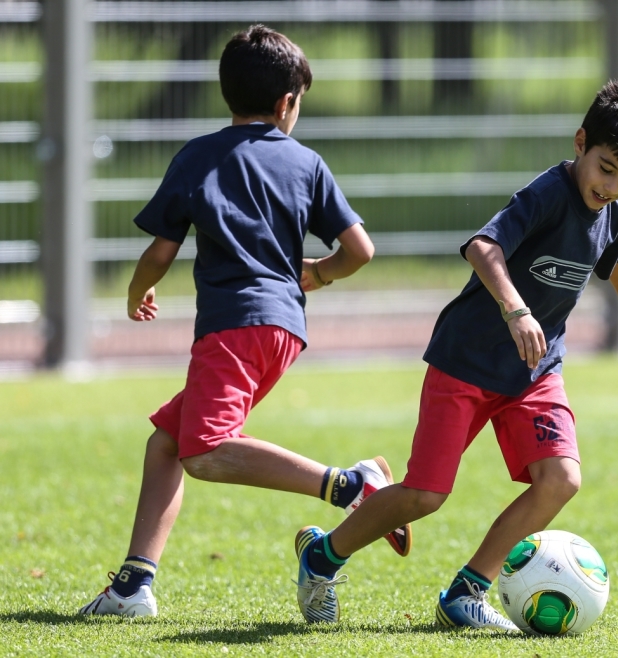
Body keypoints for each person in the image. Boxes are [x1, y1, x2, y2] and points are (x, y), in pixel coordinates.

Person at [290, 80, 618, 628]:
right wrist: (516, 309)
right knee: (424, 495)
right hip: (466, 361)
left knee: (561, 479)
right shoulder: (548, 192)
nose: (612, 186)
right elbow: (482, 247)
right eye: (606, 167)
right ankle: (322, 557)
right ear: (580, 142)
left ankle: (466, 593)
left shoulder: (615, 216)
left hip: (534, 371)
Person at [78, 25, 410, 619]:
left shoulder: (197, 156)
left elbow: (160, 251)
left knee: (203, 451)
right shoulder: (305, 162)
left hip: (232, 327)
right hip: (281, 327)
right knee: (168, 444)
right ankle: (133, 586)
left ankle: (350, 486)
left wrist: (137, 290)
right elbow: (360, 250)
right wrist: (318, 274)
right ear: (287, 103)